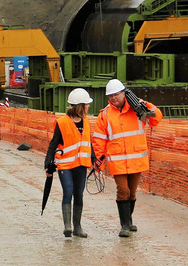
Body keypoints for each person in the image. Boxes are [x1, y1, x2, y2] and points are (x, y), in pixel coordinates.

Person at [92, 79, 162, 238]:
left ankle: (129, 221)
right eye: (111, 95)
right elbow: (99, 140)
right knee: (123, 191)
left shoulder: (138, 110)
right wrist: (99, 163)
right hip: (117, 161)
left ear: (124, 93)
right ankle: (124, 225)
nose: (114, 97)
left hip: (136, 160)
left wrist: (147, 105)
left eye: (116, 94)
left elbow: (156, 119)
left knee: (132, 193)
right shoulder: (105, 115)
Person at [44, 88, 95, 238]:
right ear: (80, 105)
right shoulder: (62, 122)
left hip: (81, 164)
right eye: (87, 104)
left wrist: (93, 157)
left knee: (78, 194)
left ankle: (77, 227)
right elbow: (53, 144)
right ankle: (68, 226)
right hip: (65, 165)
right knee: (68, 192)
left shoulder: (86, 122)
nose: (89, 106)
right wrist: (48, 162)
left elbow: (88, 142)